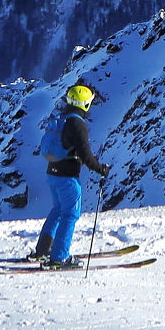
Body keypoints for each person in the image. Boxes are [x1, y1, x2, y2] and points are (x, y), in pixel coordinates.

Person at [30, 84, 111, 267]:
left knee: (58, 210)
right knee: (70, 214)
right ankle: (59, 257)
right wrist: (101, 169)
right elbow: (85, 154)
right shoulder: (78, 125)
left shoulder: (62, 119)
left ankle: (43, 250)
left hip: (53, 173)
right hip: (68, 177)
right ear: (86, 104)